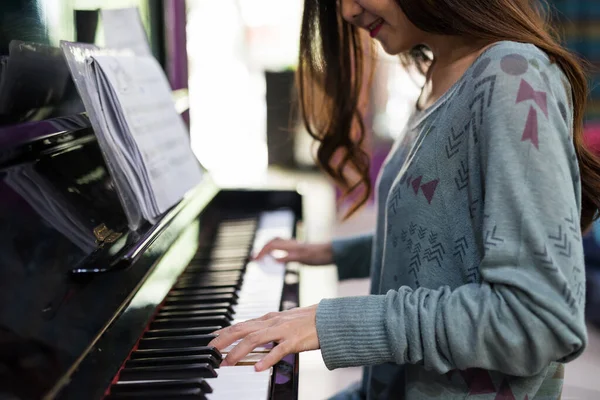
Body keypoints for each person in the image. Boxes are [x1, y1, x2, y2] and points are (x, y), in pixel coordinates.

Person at [208, 0, 600, 398]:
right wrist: (335, 252)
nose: (345, 12)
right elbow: (446, 243)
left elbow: (539, 321)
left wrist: (339, 323)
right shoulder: (440, 72)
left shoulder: (512, 75)